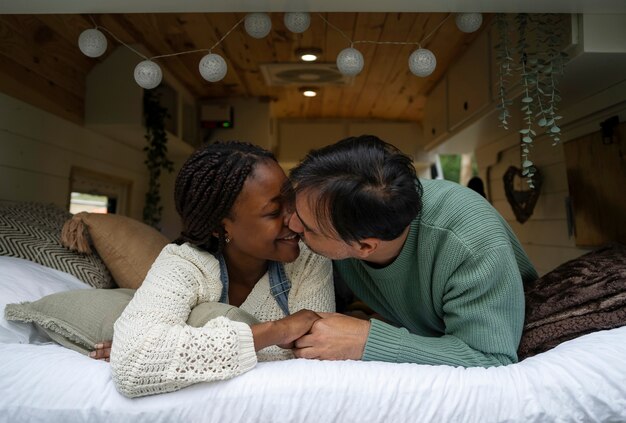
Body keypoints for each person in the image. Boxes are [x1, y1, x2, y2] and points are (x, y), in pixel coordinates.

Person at [286, 135, 538, 367]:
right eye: (293, 207)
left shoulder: (471, 243)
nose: (292, 224)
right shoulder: (361, 208)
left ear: (365, 246)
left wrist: (365, 340)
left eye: (309, 229)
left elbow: (490, 357)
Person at [109, 141, 334, 398]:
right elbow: (134, 363)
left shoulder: (309, 259)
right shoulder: (184, 263)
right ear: (222, 227)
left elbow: (318, 354)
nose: (295, 220)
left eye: (291, 200)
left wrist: (182, 352)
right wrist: (279, 331)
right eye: (273, 212)